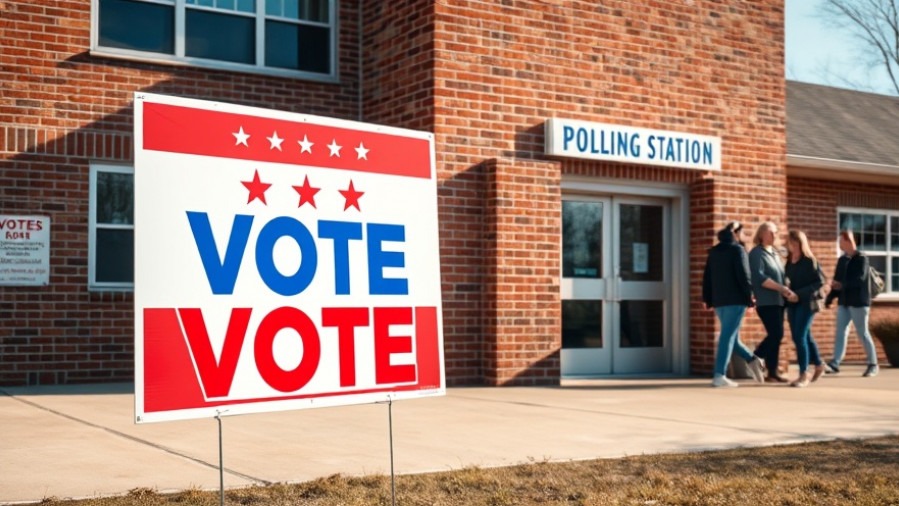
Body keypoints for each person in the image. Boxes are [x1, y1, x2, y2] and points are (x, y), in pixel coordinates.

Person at [702, 221, 766, 387]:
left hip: (719, 301)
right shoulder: (738, 250)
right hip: (735, 301)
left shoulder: (714, 251)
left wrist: (707, 299)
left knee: (731, 338)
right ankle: (719, 375)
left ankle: (752, 360)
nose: (745, 236)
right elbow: (744, 276)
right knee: (728, 337)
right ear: (736, 234)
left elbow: (707, 277)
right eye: (743, 233)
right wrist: (750, 297)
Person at [824, 230, 879, 377]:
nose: (839, 243)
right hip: (844, 302)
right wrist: (830, 297)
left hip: (859, 302)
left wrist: (841, 285)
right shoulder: (842, 260)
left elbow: (859, 280)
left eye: (841, 241)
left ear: (848, 241)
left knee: (862, 333)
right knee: (841, 332)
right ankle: (835, 363)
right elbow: (837, 280)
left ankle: (873, 364)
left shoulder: (862, 259)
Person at [748, 222, 793, 383]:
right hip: (766, 302)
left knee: (776, 336)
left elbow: (781, 274)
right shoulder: (756, 254)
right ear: (761, 235)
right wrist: (781, 288)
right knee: (776, 334)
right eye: (771, 232)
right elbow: (759, 278)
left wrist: (786, 285)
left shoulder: (774, 253)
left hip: (779, 301)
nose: (774, 235)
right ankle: (756, 357)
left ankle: (772, 372)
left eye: (775, 232)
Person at [784, 230, 826, 388]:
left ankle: (803, 374)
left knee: (799, 337)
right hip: (792, 303)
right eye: (791, 244)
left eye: (796, 244)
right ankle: (819, 364)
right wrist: (787, 290)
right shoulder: (788, 260)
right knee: (805, 336)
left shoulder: (810, 261)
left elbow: (819, 282)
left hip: (807, 303)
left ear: (802, 244)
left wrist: (799, 294)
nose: (793, 247)